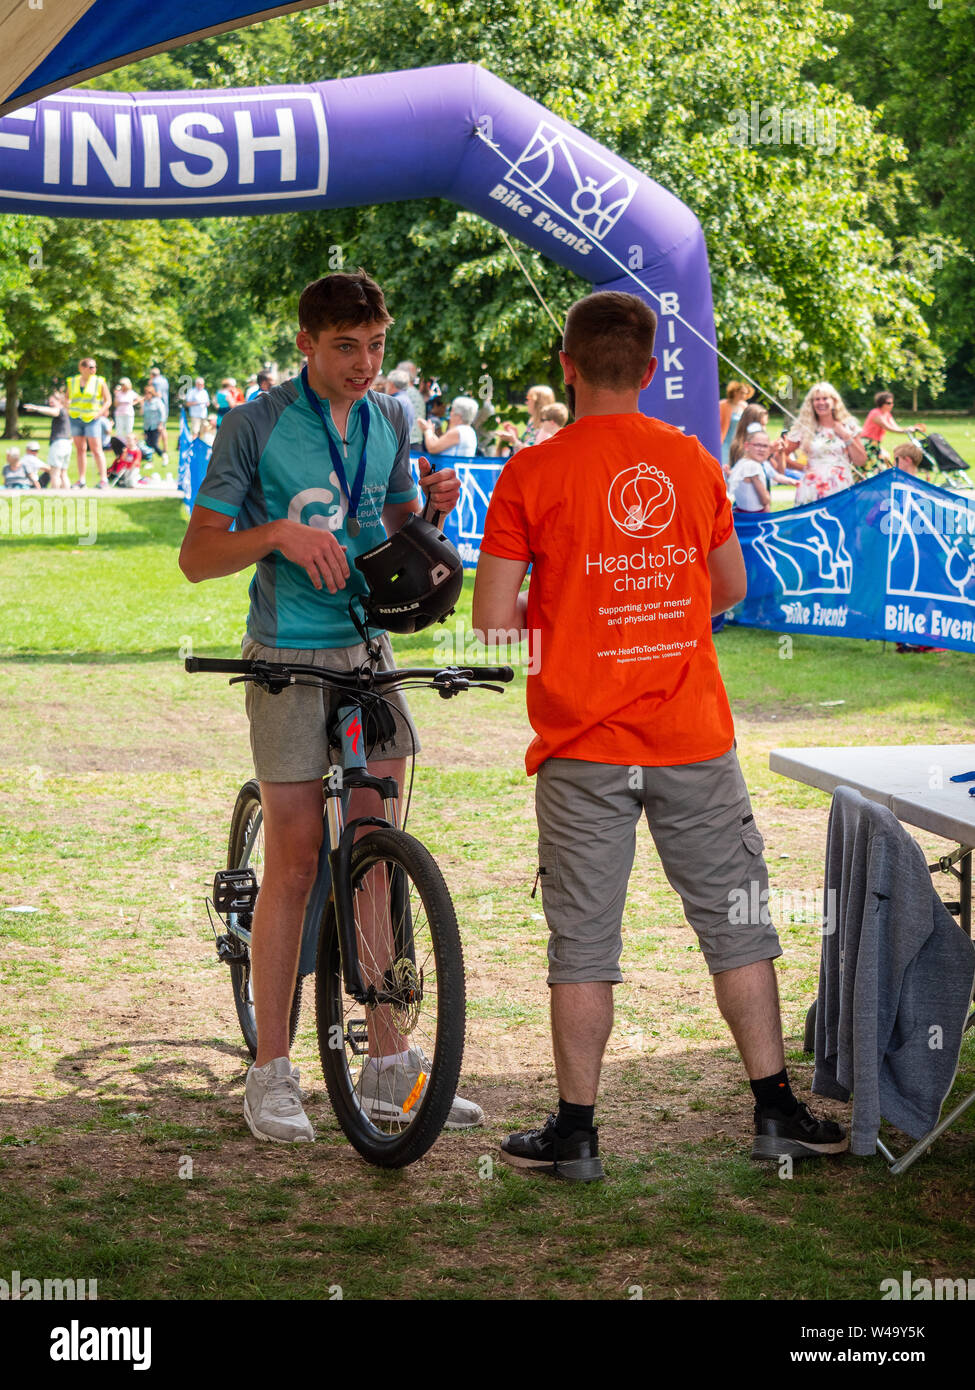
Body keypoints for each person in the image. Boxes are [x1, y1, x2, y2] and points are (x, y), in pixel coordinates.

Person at [472, 289, 847, 1180]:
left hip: (582, 746)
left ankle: (577, 1132)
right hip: (688, 735)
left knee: (583, 945)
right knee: (739, 930)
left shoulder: (530, 471)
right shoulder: (689, 460)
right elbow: (728, 590)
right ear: (646, 373)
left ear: (564, 367)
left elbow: (492, 623)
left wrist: (571, 607)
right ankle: (774, 1112)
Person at [178, 268, 481, 1144]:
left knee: (378, 856)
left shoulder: (389, 417)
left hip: (367, 650)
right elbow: (198, 556)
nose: (364, 363)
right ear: (306, 342)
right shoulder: (255, 425)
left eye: (376, 345)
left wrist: (424, 506)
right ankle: (270, 1070)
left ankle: (387, 1064)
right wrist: (276, 534)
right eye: (345, 346)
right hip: (287, 656)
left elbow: (385, 526)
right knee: (300, 859)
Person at [782, 383, 866, 505]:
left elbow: (861, 461)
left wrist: (846, 436)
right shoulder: (803, 428)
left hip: (841, 487)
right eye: (817, 399)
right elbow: (781, 456)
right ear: (811, 403)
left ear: (834, 401)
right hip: (812, 488)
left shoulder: (848, 425)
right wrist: (803, 468)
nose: (821, 402)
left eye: (825, 398)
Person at [66, 356, 111, 488]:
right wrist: (67, 406)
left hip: (92, 419)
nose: (94, 369)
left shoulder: (99, 381)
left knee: (97, 449)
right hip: (75, 418)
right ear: (82, 368)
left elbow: (108, 400)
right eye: (91, 367)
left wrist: (100, 412)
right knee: (80, 450)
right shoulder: (72, 381)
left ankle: (103, 479)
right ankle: (81, 480)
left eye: (95, 367)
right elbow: (67, 398)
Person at [22, 389, 71, 490]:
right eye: (49, 402)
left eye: (52, 402)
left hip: (59, 444)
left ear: (60, 401)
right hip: (67, 444)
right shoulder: (67, 412)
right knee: (63, 473)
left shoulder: (60, 410)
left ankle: (55, 495)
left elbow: (54, 411)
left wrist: (36, 408)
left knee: (55, 473)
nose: (50, 404)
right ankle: (67, 495)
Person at [727, 430, 773, 512]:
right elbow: (764, 501)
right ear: (747, 446)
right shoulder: (753, 466)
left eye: (765, 446)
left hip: (740, 513)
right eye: (757, 445)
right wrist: (768, 499)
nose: (761, 449)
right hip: (754, 517)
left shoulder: (741, 463)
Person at [860, 391, 910, 462]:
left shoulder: (887, 414)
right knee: (878, 464)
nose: (892, 405)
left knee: (886, 459)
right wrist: (907, 431)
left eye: (892, 403)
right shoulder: (875, 413)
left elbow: (895, 427)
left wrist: (910, 429)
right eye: (889, 403)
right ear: (881, 403)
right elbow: (888, 427)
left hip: (876, 444)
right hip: (867, 443)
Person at [719, 381, 754, 468]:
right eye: (741, 393)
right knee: (724, 463)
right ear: (734, 391)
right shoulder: (722, 405)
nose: (743, 396)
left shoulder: (744, 406)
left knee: (737, 464)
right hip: (725, 440)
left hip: (739, 440)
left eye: (745, 393)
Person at [384, 368, 417, 435]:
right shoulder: (405, 399)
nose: (385, 386)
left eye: (387, 383)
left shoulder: (395, 401)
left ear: (391, 384)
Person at [141, 384, 167, 461]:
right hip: (147, 426)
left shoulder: (158, 402)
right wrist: (141, 403)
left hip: (156, 426)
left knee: (154, 444)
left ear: (151, 393)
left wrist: (161, 424)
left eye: (148, 393)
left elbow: (163, 414)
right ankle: (150, 461)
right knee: (148, 444)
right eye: (145, 393)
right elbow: (142, 414)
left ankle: (163, 455)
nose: (146, 395)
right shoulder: (145, 403)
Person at [148, 367, 170, 458]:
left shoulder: (154, 382)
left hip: (157, 407)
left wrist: (150, 385)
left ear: (152, 374)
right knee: (163, 427)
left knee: (159, 428)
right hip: (165, 406)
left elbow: (158, 394)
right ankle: (164, 447)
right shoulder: (164, 380)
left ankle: (156, 447)